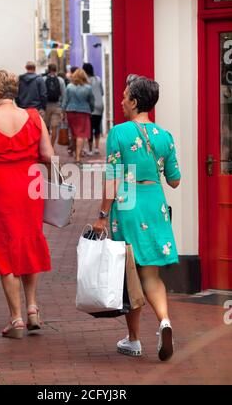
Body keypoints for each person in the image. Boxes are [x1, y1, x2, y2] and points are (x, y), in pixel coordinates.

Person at [93, 74, 181, 362]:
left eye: (124, 96)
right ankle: (165, 321)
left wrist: (103, 215)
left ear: (134, 101)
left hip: (128, 205)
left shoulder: (118, 133)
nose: (120, 100)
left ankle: (133, 340)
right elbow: (175, 180)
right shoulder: (165, 136)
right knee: (151, 274)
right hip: (155, 203)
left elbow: (113, 177)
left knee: (131, 274)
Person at [0, 70, 54, 340]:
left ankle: (16, 319)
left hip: (0, 186)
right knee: (28, 241)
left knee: (4, 246)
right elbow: (49, 155)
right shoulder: (34, 117)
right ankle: (32, 308)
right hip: (30, 186)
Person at [62, 69, 95, 165]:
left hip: (70, 111)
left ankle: (75, 152)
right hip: (83, 112)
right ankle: (78, 157)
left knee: (74, 134)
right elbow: (91, 101)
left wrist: (63, 112)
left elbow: (65, 100)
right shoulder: (88, 88)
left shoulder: (69, 87)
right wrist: (91, 109)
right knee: (81, 134)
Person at [83, 63, 104, 156]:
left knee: (90, 128)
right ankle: (97, 148)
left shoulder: (85, 81)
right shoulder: (98, 79)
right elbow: (102, 92)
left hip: (90, 107)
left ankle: (90, 149)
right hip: (100, 105)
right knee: (97, 127)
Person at [44, 64, 66, 147]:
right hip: (57, 106)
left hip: (46, 106)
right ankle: (52, 147)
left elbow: (42, 94)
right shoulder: (60, 80)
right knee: (54, 128)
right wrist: (62, 108)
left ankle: (46, 146)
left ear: (48, 70)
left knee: (45, 128)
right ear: (56, 70)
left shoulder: (44, 79)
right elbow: (64, 95)